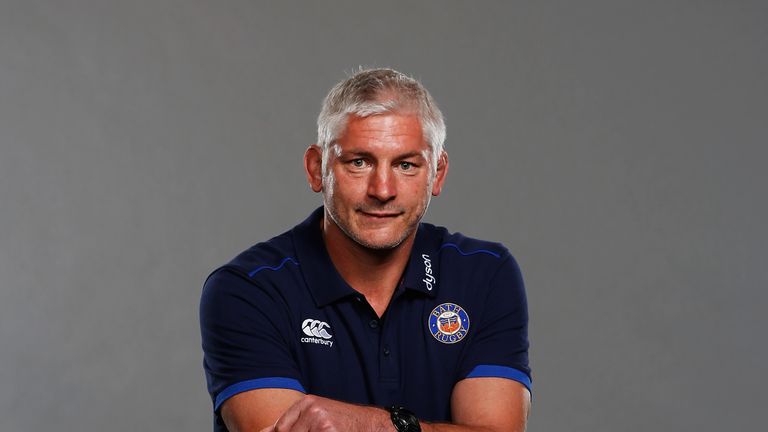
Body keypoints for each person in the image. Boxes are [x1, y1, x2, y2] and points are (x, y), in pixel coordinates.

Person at [200, 68, 531, 432]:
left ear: (437, 174)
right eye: (359, 162)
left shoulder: (483, 275)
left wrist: (376, 425)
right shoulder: (248, 289)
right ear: (316, 169)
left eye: (406, 165)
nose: (383, 189)